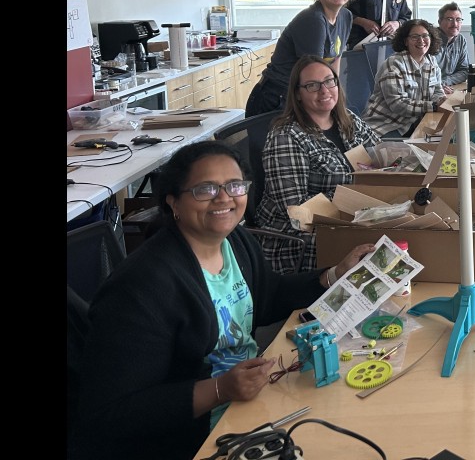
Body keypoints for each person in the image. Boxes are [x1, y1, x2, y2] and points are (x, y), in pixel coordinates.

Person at [78, 141, 373, 460]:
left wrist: (334, 274)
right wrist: (219, 390)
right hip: (195, 436)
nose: (224, 198)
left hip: (249, 398)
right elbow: (112, 412)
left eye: (234, 185)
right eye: (205, 189)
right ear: (173, 201)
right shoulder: (142, 287)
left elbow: (267, 298)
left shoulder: (235, 242)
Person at [256, 55, 381, 273]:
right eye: (312, 86)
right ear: (297, 93)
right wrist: (355, 213)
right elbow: (296, 210)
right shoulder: (286, 136)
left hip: (351, 218)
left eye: (329, 81)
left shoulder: (346, 119)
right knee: (381, 247)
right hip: (301, 237)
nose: (324, 91)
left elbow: (380, 155)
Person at [245, 0, 356, 117]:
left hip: (305, 91)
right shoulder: (314, 20)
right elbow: (313, 73)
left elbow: (335, 61)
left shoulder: (346, 17)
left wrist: (335, 99)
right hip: (277, 98)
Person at [364, 19, 447, 138]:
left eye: (425, 36)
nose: (421, 40)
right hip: (386, 126)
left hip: (413, 123)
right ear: (406, 41)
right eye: (415, 37)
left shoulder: (431, 61)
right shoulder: (394, 64)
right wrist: (433, 106)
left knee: (444, 138)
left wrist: (441, 100)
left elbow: (437, 90)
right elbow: (397, 104)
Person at [434, 2, 471, 92]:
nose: (455, 24)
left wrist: (445, 82)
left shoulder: (461, 40)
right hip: (430, 90)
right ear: (439, 21)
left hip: (449, 87)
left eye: (458, 19)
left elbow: (464, 71)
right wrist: (438, 85)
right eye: (450, 19)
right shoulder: (429, 40)